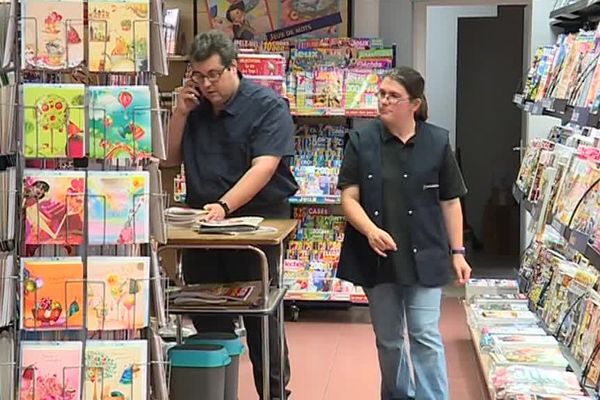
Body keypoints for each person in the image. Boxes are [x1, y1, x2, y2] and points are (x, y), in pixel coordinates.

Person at [163, 30, 297, 399]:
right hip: (202, 225)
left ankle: (274, 393)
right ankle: (216, 390)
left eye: (213, 75)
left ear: (233, 67)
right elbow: (170, 159)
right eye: (198, 76)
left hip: (255, 223)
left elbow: (264, 167)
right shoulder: (196, 108)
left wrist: (224, 207)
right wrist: (179, 112)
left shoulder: (268, 106)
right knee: (207, 318)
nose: (206, 84)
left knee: (260, 318)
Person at [337, 66, 472, 400]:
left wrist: (458, 252)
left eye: (393, 96)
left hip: (426, 254)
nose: (384, 101)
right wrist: (370, 230)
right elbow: (348, 199)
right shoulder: (360, 140)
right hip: (377, 256)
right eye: (381, 93)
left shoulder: (437, 141)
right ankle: (399, 395)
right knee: (389, 339)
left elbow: (450, 201)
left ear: (414, 103)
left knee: (425, 334)